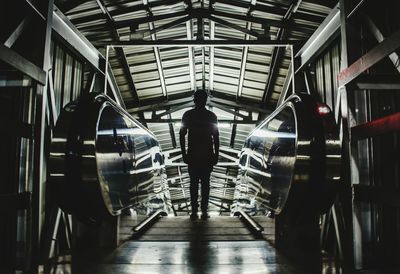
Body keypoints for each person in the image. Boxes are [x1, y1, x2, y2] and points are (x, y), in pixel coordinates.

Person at [179, 90, 219, 220]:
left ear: (194, 100)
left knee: (194, 184)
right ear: (205, 100)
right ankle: (204, 211)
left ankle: (195, 211)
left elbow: (181, 134)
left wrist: (184, 153)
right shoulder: (211, 116)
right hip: (207, 154)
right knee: (205, 184)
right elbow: (216, 137)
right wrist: (216, 154)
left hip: (193, 155)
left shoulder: (188, 115)